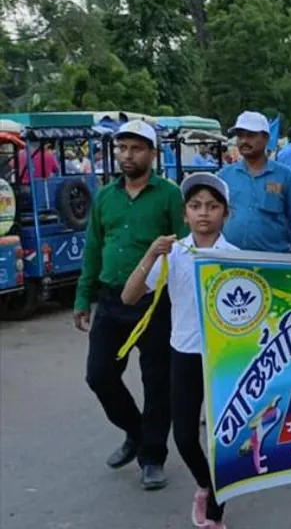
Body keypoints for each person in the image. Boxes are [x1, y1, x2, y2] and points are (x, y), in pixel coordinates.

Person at [74, 120, 186, 491]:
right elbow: (93, 248)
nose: (127, 156)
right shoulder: (106, 196)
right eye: (122, 148)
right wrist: (82, 297)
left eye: (136, 149)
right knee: (99, 375)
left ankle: (152, 457)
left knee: (158, 383)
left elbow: (185, 250)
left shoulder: (169, 195)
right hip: (111, 298)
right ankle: (135, 431)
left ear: (152, 154)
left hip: (156, 302)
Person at [120, 173, 236, 528]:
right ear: (185, 214)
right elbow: (129, 296)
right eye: (196, 206)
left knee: (225, 439)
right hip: (185, 354)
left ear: (225, 214)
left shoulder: (237, 258)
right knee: (185, 435)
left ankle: (216, 509)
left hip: (226, 359)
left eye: (213, 206)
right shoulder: (176, 254)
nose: (204, 214)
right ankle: (205, 484)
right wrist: (151, 254)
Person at [219, 111, 291, 255]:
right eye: (240, 136)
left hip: (272, 262)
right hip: (230, 261)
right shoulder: (224, 176)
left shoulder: (285, 176)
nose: (244, 141)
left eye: (251, 135)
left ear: (266, 138)